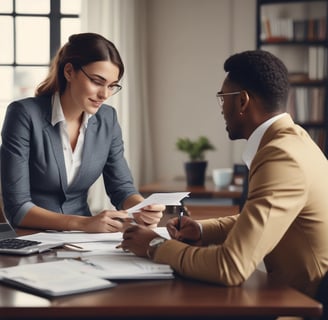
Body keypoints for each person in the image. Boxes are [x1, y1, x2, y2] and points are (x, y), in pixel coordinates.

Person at [120, 50, 328, 299]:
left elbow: (230, 266)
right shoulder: (296, 141)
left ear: (242, 101)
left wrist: (155, 246)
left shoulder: (281, 157)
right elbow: (259, 220)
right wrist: (200, 230)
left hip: (305, 303)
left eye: (222, 98)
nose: (221, 109)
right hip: (291, 294)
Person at [0, 32, 164, 232]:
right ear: (69, 72)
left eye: (112, 86)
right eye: (97, 81)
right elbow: (18, 208)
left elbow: (122, 188)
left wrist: (141, 207)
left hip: (84, 241)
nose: (104, 94)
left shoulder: (107, 119)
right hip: (32, 238)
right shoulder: (24, 114)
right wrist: (84, 223)